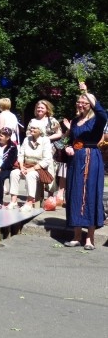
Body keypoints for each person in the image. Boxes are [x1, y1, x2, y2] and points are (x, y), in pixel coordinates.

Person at [63, 82, 106, 250]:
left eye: (84, 102)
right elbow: (73, 140)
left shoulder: (97, 120)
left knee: (90, 195)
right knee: (75, 193)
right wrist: (69, 147)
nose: (80, 105)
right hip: (76, 161)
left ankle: (90, 238)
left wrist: (86, 91)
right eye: (79, 102)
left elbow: (102, 112)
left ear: (90, 105)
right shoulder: (75, 121)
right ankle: (76, 236)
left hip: (91, 158)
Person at [7, 125, 53, 212]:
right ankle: (13, 200)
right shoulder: (26, 139)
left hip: (39, 168)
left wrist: (31, 169)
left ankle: (29, 202)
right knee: (14, 173)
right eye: (31, 128)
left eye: (34, 128)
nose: (32, 129)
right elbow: (21, 154)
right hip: (25, 165)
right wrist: (21, 167)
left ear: (40, 130)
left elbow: (47, 160)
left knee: (31, 175)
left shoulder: (45, 140)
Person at [27, 99, 64, 201]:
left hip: (48, 149)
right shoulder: (32, 121)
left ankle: (50, 196)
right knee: (34, 169)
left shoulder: (52, 120)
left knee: (50, 170)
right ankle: (35, 195)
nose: (40, 109)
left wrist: (47, 138)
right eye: (38, 107)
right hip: (34, 148)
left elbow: (59, 133)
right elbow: (27, 134)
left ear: (47, 109)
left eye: (42, 108)